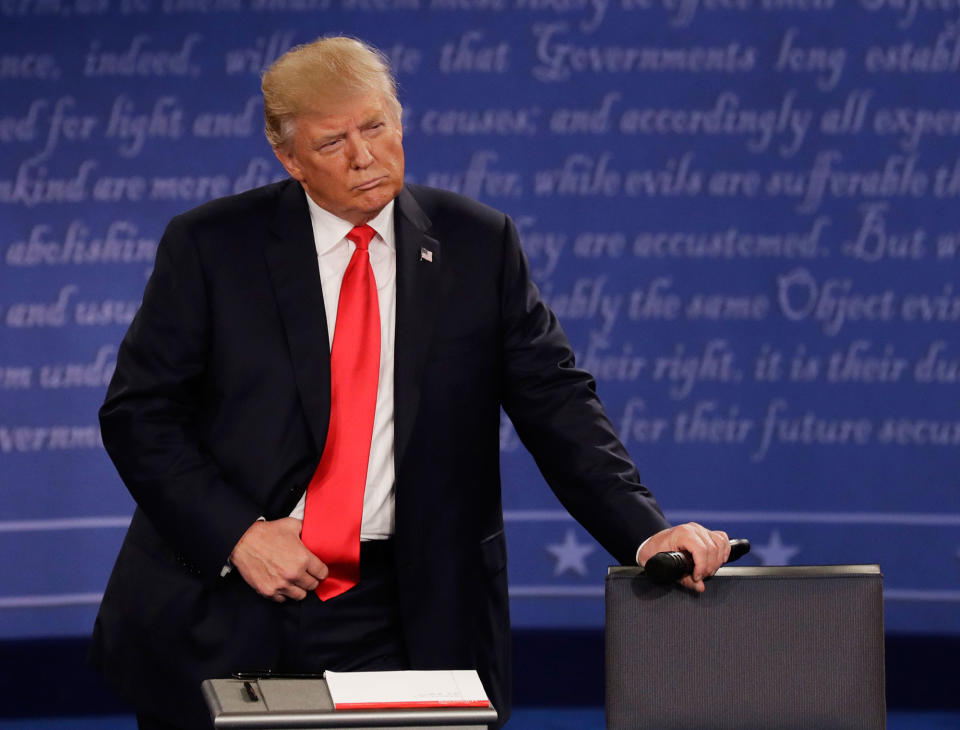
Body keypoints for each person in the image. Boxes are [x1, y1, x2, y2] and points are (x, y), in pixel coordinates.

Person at [91, 35, 731, 730]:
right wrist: (240, 535)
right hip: (235, 597)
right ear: (289, 157)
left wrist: (645, 534)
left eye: (376, 126)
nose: (364, 156)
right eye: (333, 142)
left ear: (400, 120)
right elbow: (140, 415)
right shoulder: (212, 247)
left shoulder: (477, 244)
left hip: (411, 608)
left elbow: (557, 402)